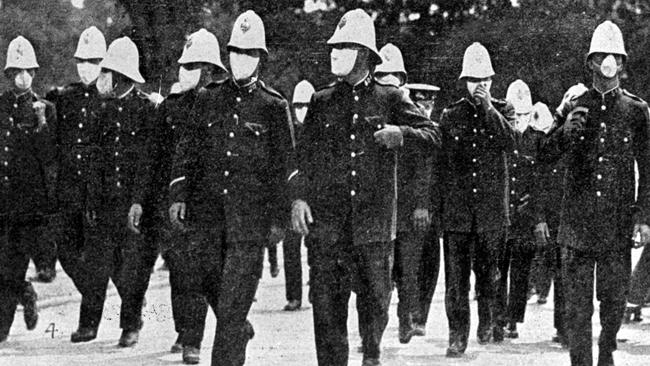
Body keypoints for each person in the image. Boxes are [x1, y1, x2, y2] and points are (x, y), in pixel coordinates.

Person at [290, 9, 440, 366]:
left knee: (374, 306)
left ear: (364, 55)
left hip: (373, 228)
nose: (335, 53)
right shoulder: (322, 100)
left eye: (344, 46)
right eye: (335, 46)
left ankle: (371, 357)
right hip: (328, 228)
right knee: (326, 312)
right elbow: (302, 158)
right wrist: (297, 198)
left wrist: (400, 134)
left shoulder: (390, 97)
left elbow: (433, 134)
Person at [169, 10, 294, 366]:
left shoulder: (273, 106)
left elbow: (284, 166)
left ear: (261, 58)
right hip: (207, 220)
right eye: (236, 51)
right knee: (211, 287)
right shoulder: (208, 98)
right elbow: (187, 151)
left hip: (249, 226)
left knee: (233, 307)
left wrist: (278, 219)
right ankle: (237, 327)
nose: (242, 59)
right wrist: (178, 193)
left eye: (250, 53)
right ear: (227, 54)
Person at [539, 20, 650, 366]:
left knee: (614, 301)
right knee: (577, 307)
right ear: (590, 62)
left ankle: (606, 350)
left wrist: (643, 217)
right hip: (576, 224)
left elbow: (647, 169)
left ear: (623, 63)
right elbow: (542, 153)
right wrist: (564, 131)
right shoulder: (574, 103)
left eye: (614, 56)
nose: (608, 63)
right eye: (601, 56)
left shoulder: (636, 110)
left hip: (616, 223)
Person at [77, 36, 160, 347]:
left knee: (133, 268)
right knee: (99, 264)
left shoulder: (146, 110)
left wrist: (139, 201)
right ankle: (89, 325)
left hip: (133, 203)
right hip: (106, 202)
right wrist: (91, 199)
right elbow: (96, 159)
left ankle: (130, 324)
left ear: (123, 74)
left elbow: (148, 161)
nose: (105, 76)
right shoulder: (104, 111)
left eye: (109, 70)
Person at [437, 42, 517, 357]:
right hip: (458, 213)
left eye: (484, 80)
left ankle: (487, 320)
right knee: (456, 281)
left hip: (491, 213)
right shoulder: (450, 114)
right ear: (464, 82)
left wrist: (488, 110)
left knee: (489, 274)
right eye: (473, 80)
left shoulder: (504, 109)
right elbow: (441, 166)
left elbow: (511, 142)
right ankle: (457, 335)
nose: (479, 86)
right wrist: (438, 208)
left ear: (492, 81)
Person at [160, 28, 228, 364]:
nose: (186, 71)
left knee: (211, 274)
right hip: (180, 202)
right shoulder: (171, 108)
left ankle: (234, 326)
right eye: (184, 65)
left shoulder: (225, 105)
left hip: (216, 203)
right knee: (184, 273)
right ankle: (191, 340)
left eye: (194, 65)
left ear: (211, 70)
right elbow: (155, 157)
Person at [45, 26, 110, 343]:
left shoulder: (111, 100)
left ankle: (90, 323)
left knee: (97, 257)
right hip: (69, 189)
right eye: (81, 61)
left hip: (98, 192)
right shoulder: (64, 98)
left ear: (104, 63)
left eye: (93, 61)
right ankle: (96, 293)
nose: (86, 67)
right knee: (66, 252)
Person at [373, 43, 435, 344]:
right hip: (379, 204)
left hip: (409, 205)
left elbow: (426, 159)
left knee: (408, 268)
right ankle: (374, 328)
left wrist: (422, 204)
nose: (386, 81)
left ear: (402, 79)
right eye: (381, 74)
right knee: (379, 272)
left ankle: (405, 319)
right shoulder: (371, 106)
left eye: (392, 75)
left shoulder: (410, 111)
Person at [0, 35, 56, 342]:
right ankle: (24, 292)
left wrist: (42, 124)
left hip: (26, 207)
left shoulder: (44, 109)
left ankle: (5, 323)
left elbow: (49, 158)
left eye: (27, 71)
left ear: (34, 74)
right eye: (16, 72)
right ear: (9, 75)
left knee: (11, 267)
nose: (22, 76)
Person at [496, 79, 551, 339]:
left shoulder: (538, 140)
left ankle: (512, 320)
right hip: (500, 211)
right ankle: (496, 317)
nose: (520, 120)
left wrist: (536, 210)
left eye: (525, 115)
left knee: (519, 271)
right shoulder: (499, 136)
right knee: (497, 267)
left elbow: (542, 179)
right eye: (515, 115)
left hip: (525, 215)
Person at [404, 82, 441, 337]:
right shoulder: (407, 131)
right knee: (406, 263)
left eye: (429, 103)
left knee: (428, 261)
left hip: (434, 208)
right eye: (420, 102)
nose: (425, 107)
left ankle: (420, 315)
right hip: (407, 206)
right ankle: (407, 310)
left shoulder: (438, 131)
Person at [282, 79, 315, 312]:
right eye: (298, 105)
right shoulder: (289, 131)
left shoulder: (320, 129)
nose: (302, 110)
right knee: (291, 249)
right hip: (293, 197)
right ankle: (294, 295)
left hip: (315, 198)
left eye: (306, 105)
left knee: (316, 247)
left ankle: (315, 286)